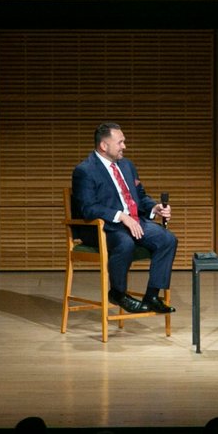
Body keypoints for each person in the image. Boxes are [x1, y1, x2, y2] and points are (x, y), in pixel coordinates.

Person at [70, 122, 177, 314]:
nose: (124, 146)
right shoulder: (85, 170)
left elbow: (140, 196)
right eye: (120, 142)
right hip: (104, 227)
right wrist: (121, 217)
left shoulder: (127, 165)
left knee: (167, 239)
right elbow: (88, 208)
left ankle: (152, 296)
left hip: (135, 222)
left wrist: (154, 208)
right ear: (104, 146)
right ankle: (118, 293)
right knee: (125, 243)